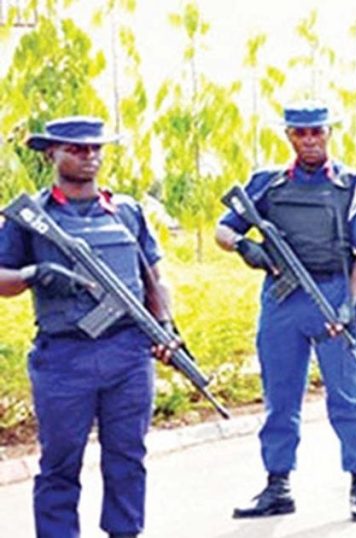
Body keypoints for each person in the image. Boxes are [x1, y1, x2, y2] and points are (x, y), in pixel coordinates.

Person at [0, 116, 176, 538]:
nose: (89, 156)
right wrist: (34, 273)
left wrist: (165, 327)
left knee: (127, 457)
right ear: (51, 153)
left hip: (128, 352)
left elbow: (154, 276)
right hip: (65, 357)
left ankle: (124, 531)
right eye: (76, 149)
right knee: (60, 464)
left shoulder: (127, 211)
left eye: (95, 148)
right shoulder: (30, 216)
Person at [215, 102, 356, 522]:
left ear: (329, 133)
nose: (309, 140)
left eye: (316, 132)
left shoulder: (353, 185)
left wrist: (349, 301)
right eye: (300, 133)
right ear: (289, 136)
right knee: (280, 396)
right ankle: (278, 485)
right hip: (282, 297)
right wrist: (244, 247)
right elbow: (223, 230)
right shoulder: (267, 184)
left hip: (332, 291)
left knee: (347, 397)